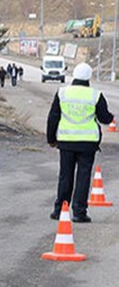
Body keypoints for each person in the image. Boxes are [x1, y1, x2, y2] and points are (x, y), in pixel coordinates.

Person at [46, 62, 114, 222]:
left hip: (66, 141)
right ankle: (79, 212)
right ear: (89, 77)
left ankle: (59, 210)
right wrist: (111, 117)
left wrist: (51, 139)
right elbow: (104, 118)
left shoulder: (62, 93)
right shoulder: (95, 95)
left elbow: (53, 117)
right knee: (83, 176)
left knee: (65, 175)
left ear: (74, 75)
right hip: (87, 143)